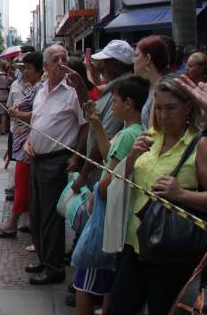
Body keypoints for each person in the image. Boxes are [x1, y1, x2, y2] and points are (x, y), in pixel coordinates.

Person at [106, 75, 207, 315]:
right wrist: (131, 159)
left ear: (188, 107)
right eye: (160, 108)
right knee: (120, 307)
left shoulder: (199, 145)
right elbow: (115, 180)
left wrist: (182, 194)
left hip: (171, 251)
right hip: (134, 243)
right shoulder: (150, 137)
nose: (164, 116)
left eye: (171, 108)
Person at [72, 75, 148, 315]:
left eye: (114, 101)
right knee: (106, 281)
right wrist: (97, 126)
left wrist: (95, 190)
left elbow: (108, 180)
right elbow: (110, 157)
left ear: (128, 103)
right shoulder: (134, 131)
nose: (111, 106)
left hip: (107, 220)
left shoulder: (128, 135)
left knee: (86, 280)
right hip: (115, 219)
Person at [24, 44, 88, 285]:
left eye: (64, 57)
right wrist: (30, 142)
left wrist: (77, 156)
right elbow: (37, 122)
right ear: (47, 65)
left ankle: (54, 267)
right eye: (56, 58)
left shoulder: (72, 91)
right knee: (37, 212)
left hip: (57, 159)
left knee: (51, 217)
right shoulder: (41, 90)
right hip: (37, 159)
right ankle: (44, 258)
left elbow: (85, 125)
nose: (62, 62)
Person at [71, 40, 134, 195]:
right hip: (97, 172)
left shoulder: (124, 89)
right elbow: (91, 117)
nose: (100, 66)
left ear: (115, 64)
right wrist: (79, 85)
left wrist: (84, 175)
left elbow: (104, 136)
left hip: (103, 175)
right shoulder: (112, 86)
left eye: (104, 62)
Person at [0, 52, 43, 238]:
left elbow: (36, 114)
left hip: (28, 144)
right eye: (23, 68)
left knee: (22, 184)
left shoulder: (40, 89)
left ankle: (12, 223)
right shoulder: (31, 88)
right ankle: (27, 220)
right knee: (24, 183)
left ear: (39, 70)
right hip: (21, 140)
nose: (24, 72)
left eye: (28, 68)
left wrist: (17, 114)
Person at [134, 35, 171, 128]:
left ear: (147, 59)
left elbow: (153, 132)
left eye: (136, 55)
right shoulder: (148, 86)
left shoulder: (163, 89)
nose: (133, 60)